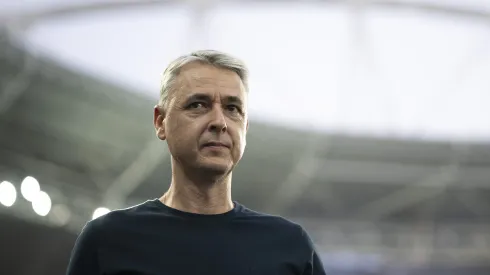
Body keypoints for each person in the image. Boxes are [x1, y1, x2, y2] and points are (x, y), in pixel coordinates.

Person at [66, 50, 327, 275]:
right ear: (160, 122)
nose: (219, 122)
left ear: (245, 127)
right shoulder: (107, 239)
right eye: (198, 104)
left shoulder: (290, 244)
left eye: (233, 108)